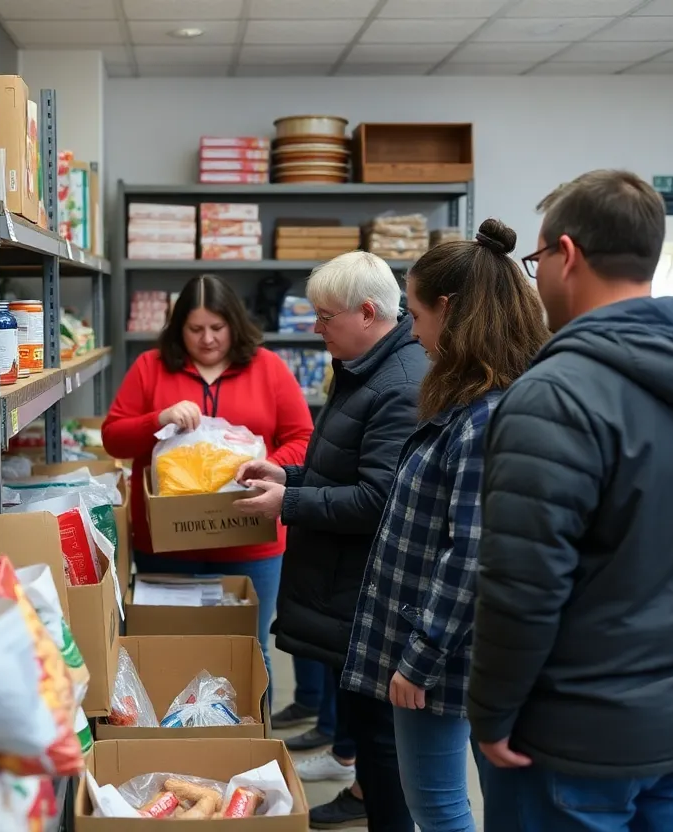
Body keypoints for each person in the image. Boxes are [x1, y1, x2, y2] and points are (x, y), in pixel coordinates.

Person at [470, 170, 673, 832]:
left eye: (537, 258)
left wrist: (491, 712)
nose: (536, 275)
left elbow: (522, 586)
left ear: (566, 255)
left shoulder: (556, 396)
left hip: (577, 728)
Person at [341, 219, 550, 832]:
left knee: (437, 806)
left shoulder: (486, 417)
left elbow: (473, 550)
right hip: (440, 644)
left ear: (450, 310)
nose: (411, 328)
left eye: (414, 310)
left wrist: (421, 657)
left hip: (442, 653)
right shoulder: (468, 400)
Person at [234, 251, 427, 829]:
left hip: (368, 589)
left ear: (368, 312)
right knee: (368, 734)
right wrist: (286, 475)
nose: (315, 329)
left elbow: (379, 499)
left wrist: (288, 503)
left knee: (382, 743)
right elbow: (340, 466)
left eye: (324, 317)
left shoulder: (399, 384)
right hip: (348, 586)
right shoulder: (364, 368)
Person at [101, 274, 314, 694]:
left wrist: (264, 465)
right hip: (169, 542)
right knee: (172, 648)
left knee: (249, 650)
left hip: (251, 541)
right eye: (195, 329)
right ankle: (182, 740)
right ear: (179, 329)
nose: (208, 339)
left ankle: (251, 741)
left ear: (234, 324)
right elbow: (113, 436)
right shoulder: (151, 367)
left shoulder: (267, 368)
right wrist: (157, 419)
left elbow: (303, 438)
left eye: (217, 328)